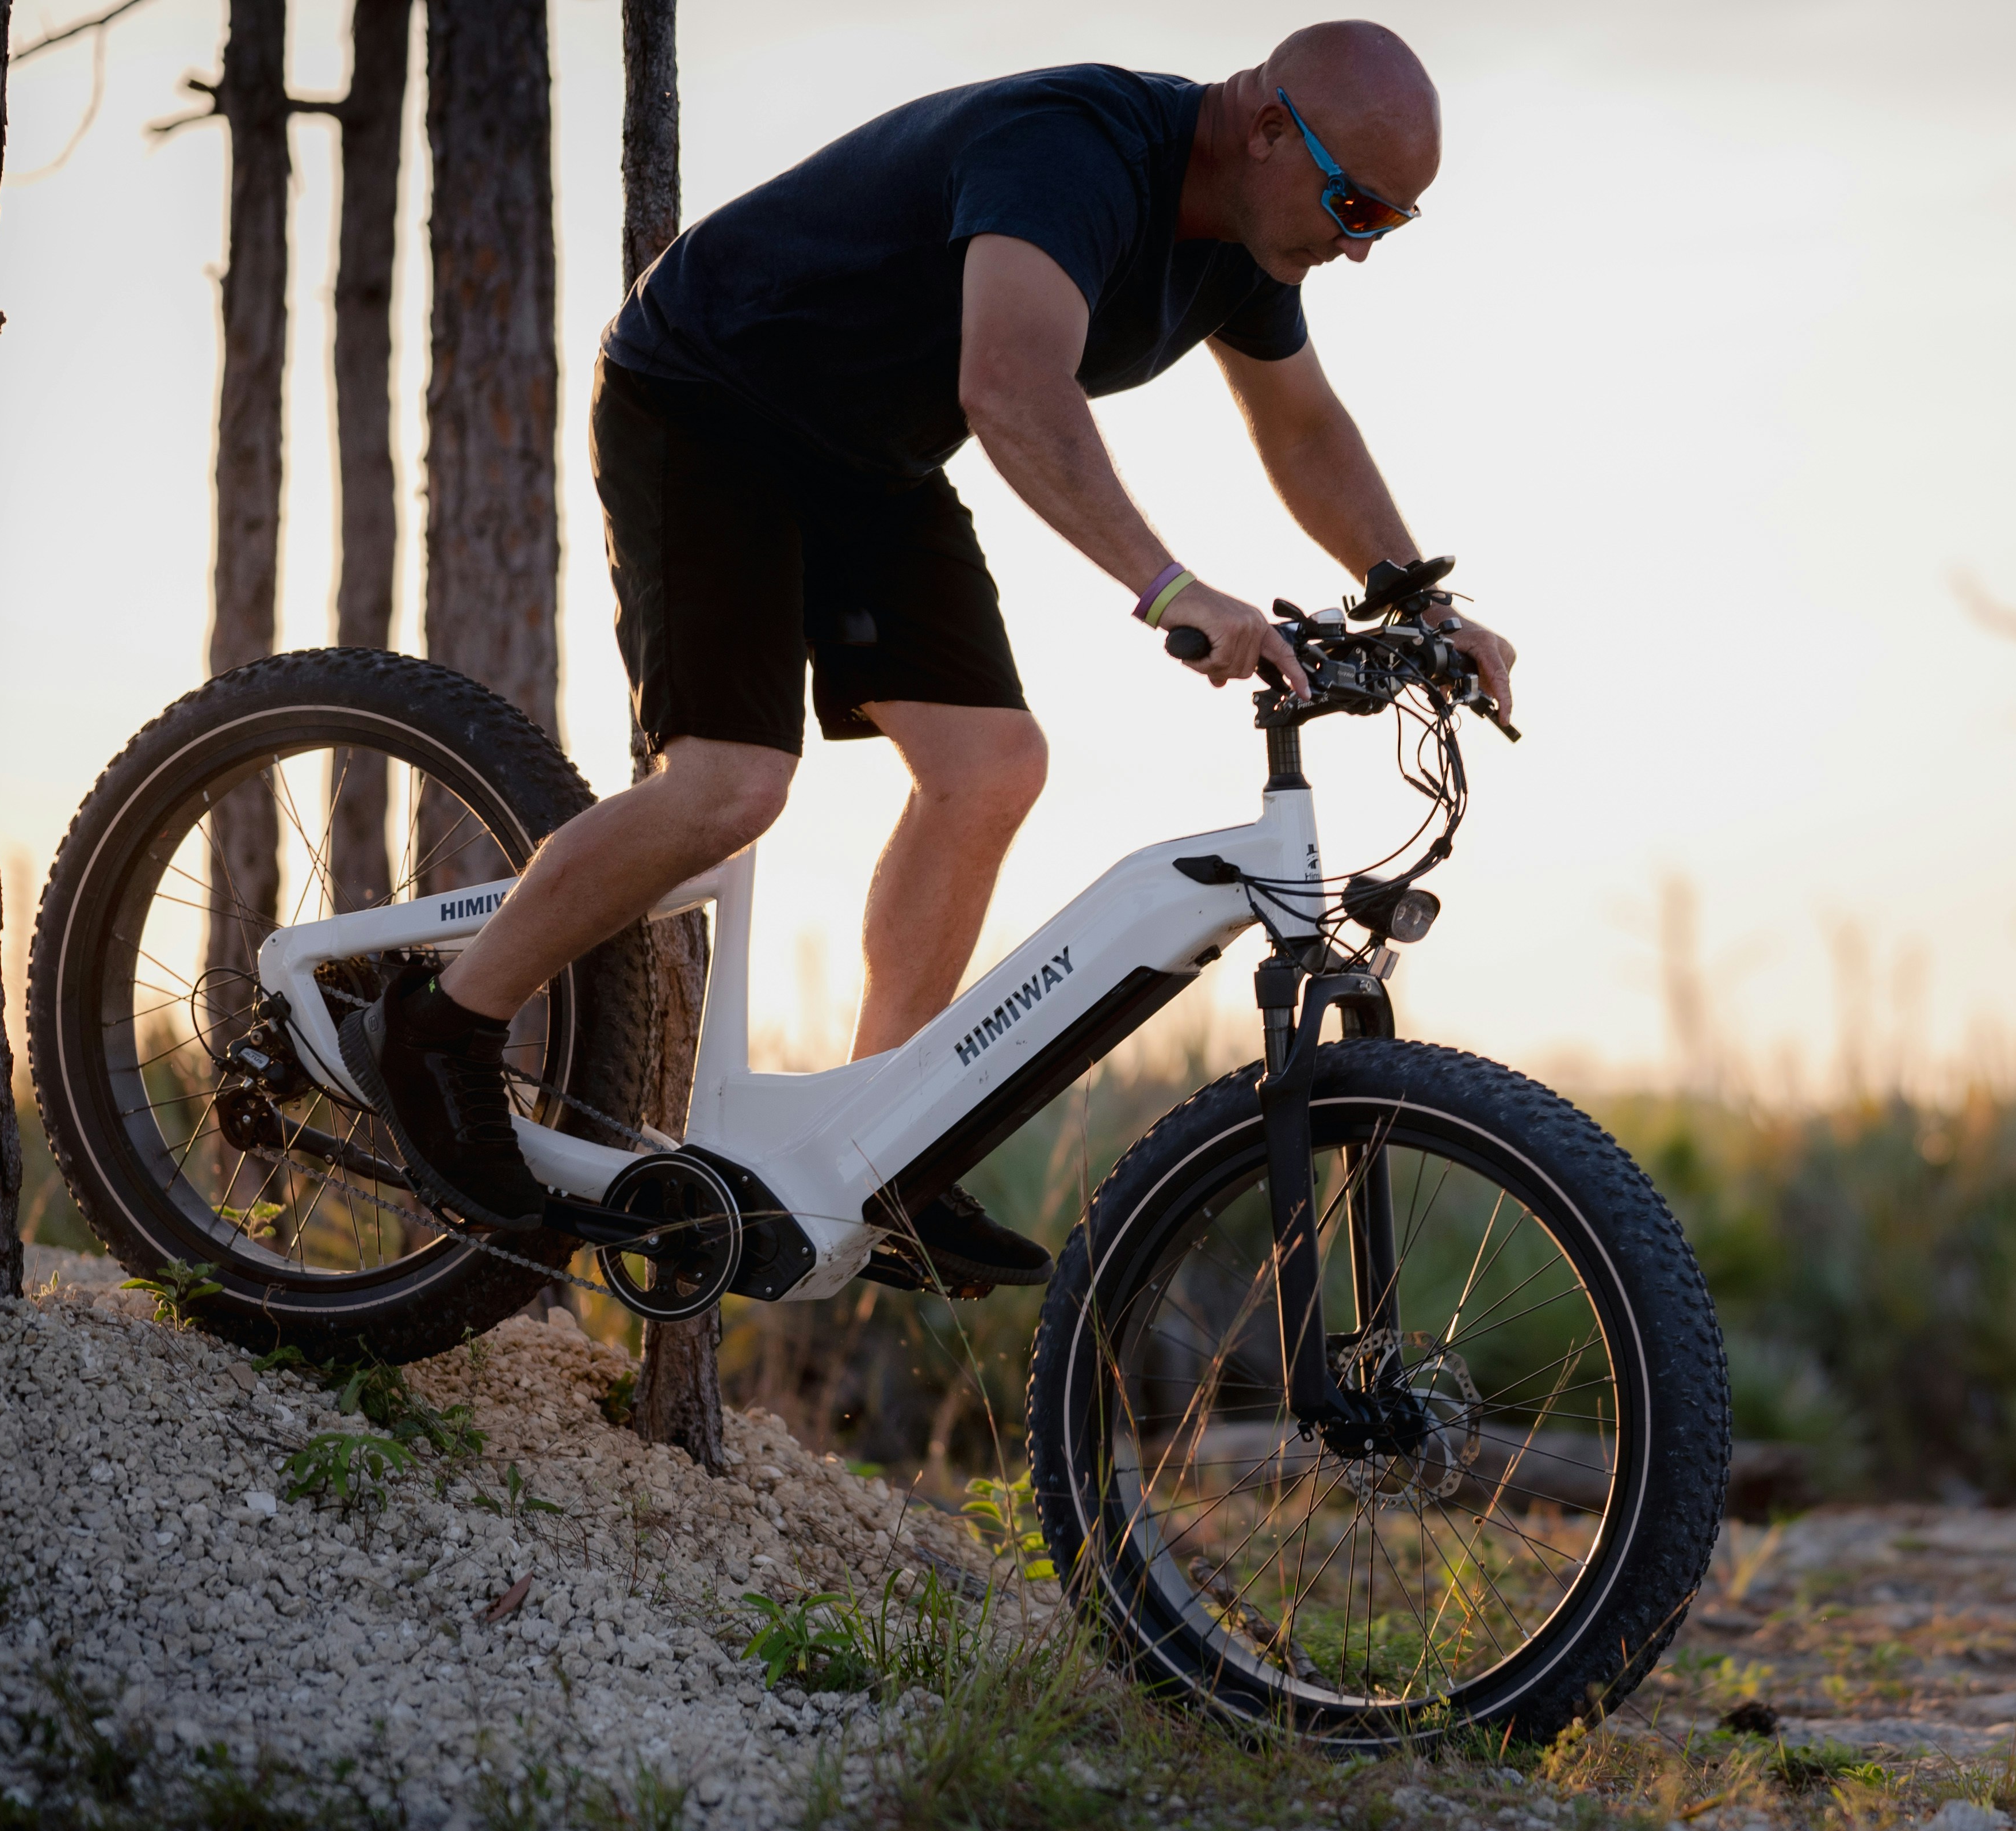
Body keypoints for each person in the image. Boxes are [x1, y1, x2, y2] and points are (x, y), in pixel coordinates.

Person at [342, 20, 1514, 1294]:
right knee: (731, 785)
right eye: (1353, 204)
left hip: (869, 457)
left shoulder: (1244, 246)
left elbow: (1305, 429)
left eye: (1387, 226)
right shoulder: (1076, 153)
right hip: (713, 397)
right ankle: (442, 1029)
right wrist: (1168, 587)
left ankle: (872, 1145)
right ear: (1270, 124)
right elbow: (1011, 385)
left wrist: (1420, 604)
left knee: (994, 767)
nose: (1355, 243)